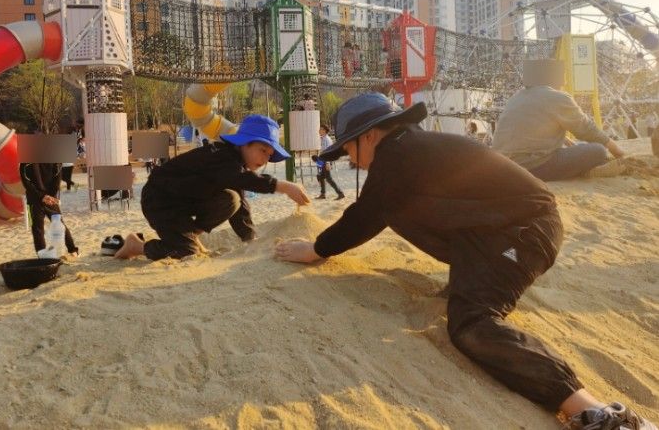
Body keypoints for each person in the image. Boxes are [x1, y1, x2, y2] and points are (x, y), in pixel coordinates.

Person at [275, 92, 656, 430]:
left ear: (371, 136)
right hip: (499, 234)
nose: (350, 160)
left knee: (472, 324)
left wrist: (317, 249)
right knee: (404, 217)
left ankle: (599, 414)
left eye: (348, 150)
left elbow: (365, 215)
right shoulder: (412, 149)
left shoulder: (397, 154)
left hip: (523, 233)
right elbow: (384, 209)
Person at [114, 115, 310, 260]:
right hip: (161, 201)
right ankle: (136, 246)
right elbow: (244, 179)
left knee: (231, 199)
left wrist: (250, 239)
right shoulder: (222, 157)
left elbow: (240, 205)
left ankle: (191, 235)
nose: (266, 158)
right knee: (185, 252)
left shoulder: (235, 166)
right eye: (263, 150)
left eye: (270, 154)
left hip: (186, 201)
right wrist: (282, 186)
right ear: (243, 144)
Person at [492, 59, 624, 181]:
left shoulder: (517, 97)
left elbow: (533, 131)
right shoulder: (557, 97)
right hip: (531, 168)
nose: (564, 83)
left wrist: (567, 141)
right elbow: (586, 129)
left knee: (577, 149)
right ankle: (586, 173)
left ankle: (583, 171)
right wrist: (616, 150)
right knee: (598, 151)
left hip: (503, 166)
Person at [20, 162, 79, 257]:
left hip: (34, 199)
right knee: (59, 223)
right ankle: (73, 251)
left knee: (37, 229)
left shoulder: (25, 161)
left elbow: (26, 182)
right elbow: (57, 179)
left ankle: (42, 255)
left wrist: (44, 197)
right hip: (48, 199)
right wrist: (49, 196)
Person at [314, 124, 344, 200]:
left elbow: (328, 152)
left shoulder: (327, 139)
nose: (319, 131)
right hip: (322, 161)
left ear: (324, 130)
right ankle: (323, 194)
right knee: (320, 177)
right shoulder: (323, 139)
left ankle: (340, 193)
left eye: (320, 129)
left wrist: (327, 163)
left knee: (329, 179)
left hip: (325, 161)